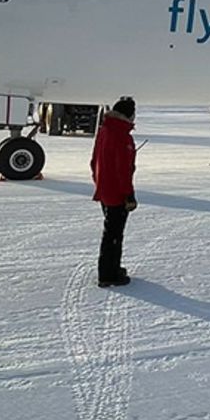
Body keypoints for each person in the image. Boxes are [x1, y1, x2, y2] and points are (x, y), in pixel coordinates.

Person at [90, 97, 138, 287]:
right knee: (114, 234)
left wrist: (99, 182)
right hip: (116, 193)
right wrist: (129, 194)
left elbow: (94, 161)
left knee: (111, 232)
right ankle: (108, 274)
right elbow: (123, 170)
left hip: (104, 189)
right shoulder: (122, 135)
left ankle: (112, 268)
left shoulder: (104, 130)